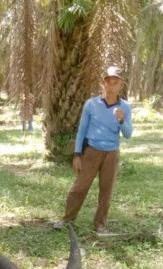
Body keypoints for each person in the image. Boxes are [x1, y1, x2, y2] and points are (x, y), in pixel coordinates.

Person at [53, 66, 133, 235]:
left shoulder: (125, 107)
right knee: (79, 187)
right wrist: (77, 154)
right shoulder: (91, 104)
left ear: (121, 85)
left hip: (111, 153)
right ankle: (67, 219)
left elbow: (127, 134)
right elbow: (82, 130)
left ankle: (100, 225)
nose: (111, 85)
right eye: (108, 82)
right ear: (103, 84)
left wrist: (121, 120)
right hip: (91, 151)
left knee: (106, 190)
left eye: (115, 82)